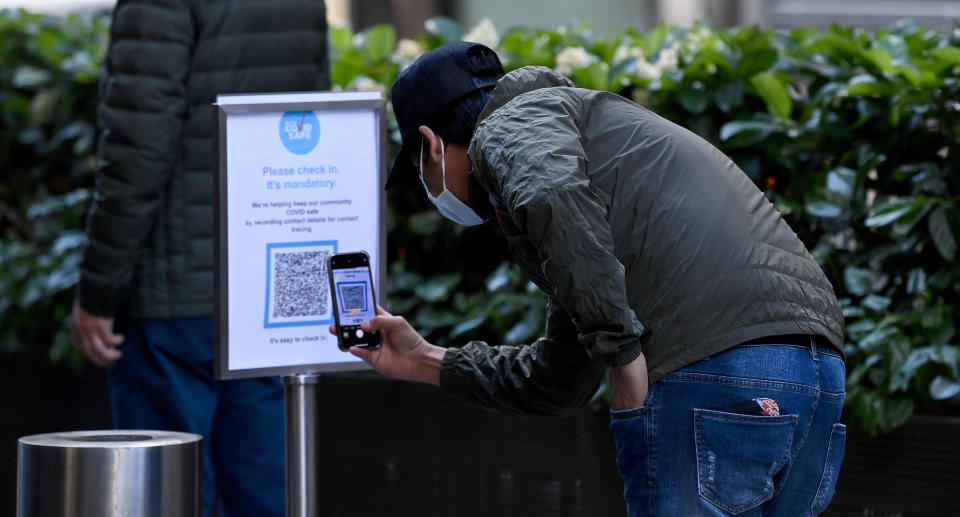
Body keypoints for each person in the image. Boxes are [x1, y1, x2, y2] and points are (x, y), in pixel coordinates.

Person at [341, 42, 847, 516]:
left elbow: (553, 200)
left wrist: (623, 356)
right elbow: (561, 377)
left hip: (708, 372)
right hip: (814, 375)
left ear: (430, 146)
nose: (431, 191)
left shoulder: (509, 127)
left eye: (419, 174)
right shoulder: (588, 160)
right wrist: (426, 360)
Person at [69, 1, 330, 515]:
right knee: (263, 489)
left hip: (175, 292)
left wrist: (98, 291)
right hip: (267, 286)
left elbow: (137, 147)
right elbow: (309, 114)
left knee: (167, 491)